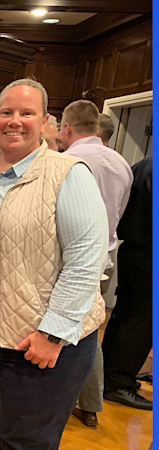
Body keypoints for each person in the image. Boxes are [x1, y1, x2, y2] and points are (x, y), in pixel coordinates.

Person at [0, 78, 108, 449]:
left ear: (45, 122)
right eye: (6, 112)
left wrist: (51, 334)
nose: (15, 121)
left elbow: (86, 262)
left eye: (27, 113)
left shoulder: (68, 173)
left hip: (37, 345)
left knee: (26, 444)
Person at [59, 99, 133, 427]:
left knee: (62, 328)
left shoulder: (64, 161)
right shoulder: (122, 164)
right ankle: (90, 405)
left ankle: (54, 398)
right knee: (90, 331)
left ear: (67, 128)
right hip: (106, 258)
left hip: (68, 259)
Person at [102, 156, 152, 410]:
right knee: (141, 321)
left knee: (126, 315)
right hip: (147, 253)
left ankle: (111, 372)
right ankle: (118, 381)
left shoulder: (144, 164)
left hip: (134, 250)